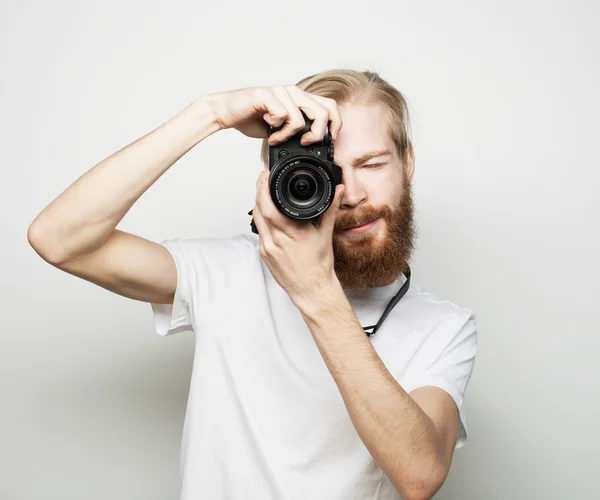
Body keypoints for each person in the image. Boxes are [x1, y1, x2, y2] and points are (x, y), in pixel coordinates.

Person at [28, 69, 478, 500]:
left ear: (408, 163)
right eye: (326, 170)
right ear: (279, 179)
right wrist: (211, 113)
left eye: (373, 164)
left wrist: (315, 290)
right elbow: (60, 239)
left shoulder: (444, 327)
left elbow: (419, 475)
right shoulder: (229, 273)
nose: (352, 194)